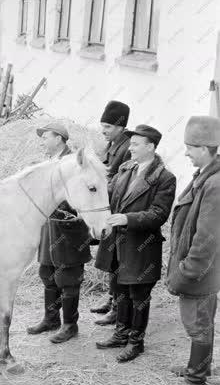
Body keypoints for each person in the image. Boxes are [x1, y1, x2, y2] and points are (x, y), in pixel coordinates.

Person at [94, 125, 176, 362]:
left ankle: (135, 342)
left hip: (141, 246)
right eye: (130, 144)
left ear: (150, 146)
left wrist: (127, 218)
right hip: (117, 243)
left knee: (139, 295)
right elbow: (109, 195)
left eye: (135, 144)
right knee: (119, 290)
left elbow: (159, 214)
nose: (129, 148)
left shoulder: (164, 178)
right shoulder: (126, 168)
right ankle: (121, 334)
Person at [164, 116, 220, 385]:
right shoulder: (206, 175)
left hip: (201, 272)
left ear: (206, 147)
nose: (185, 153)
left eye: (190, 147)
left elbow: (207, 239)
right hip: (200, 271)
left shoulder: (215, 183)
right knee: (199, 322)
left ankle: (195, 382)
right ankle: (198, 368)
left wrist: (187, 271)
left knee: (198, 325)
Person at [26, 123, 91, 344]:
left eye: (46, 137)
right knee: (48, 273)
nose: (42, 141)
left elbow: (82, 194)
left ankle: (70, 324)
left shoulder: (74, 164)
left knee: (69, 278)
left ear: (60, 139)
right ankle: (51, 318)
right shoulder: (49, 164)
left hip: (68, 228)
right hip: (49, 228)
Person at [90, 100, 133, 326]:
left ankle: (117, 307)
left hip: (118, 208)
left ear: (120, 126)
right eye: (102, 125)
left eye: (107, 126)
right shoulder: (115, 143)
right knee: (108, 257)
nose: (103, 130)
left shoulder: (127, 148)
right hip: (108, 205)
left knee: (116, 259)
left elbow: (118, 180)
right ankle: (111, 298)